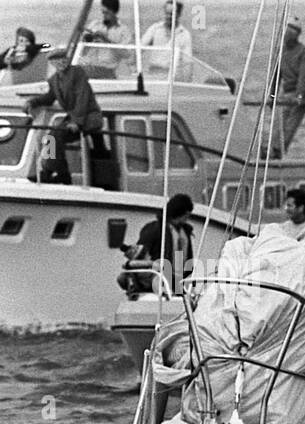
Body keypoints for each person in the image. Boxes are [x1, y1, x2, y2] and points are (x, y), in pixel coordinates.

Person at [23, 47, 108, 182]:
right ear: (52, 63)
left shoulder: (77, 73)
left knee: (55, 136)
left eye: (64, 59)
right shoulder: (54, 80)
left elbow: (82, 97)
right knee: (50, 137)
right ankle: (52, 170)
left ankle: (60, 173)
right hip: (73, 118)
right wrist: (33, 102)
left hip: (88, 117)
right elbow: (50, 97)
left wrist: (77, 121)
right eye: (57, 60)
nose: (62, 62)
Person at [118, 193, 196, 297]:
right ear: (181, 212)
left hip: (176, 282)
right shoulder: (154, 229)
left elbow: (188, 261)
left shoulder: (185, 231)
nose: (187, 217)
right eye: (186, 214)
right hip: (157, 278)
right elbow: (141, 255)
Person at [269, 17, 305, 158]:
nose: (288, 35)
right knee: (279, 123)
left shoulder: (304, 52)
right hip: (288, 93)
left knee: (290, 123)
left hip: (304, 94)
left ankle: (277, 150)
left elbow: (304, 76)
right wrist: (272, 97)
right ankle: (272, 150)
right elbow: (275, 77)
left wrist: (299, 96)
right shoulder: (281, 52)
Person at [139, 1, 193, 80]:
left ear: (179, 14)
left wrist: (187, 82)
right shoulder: (155, 28)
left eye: (171, 14)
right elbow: (140, 48)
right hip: (154, 74)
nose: (168, 16)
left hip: (173, 77)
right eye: (166, 13)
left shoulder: (184, 34)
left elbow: (187, 62)